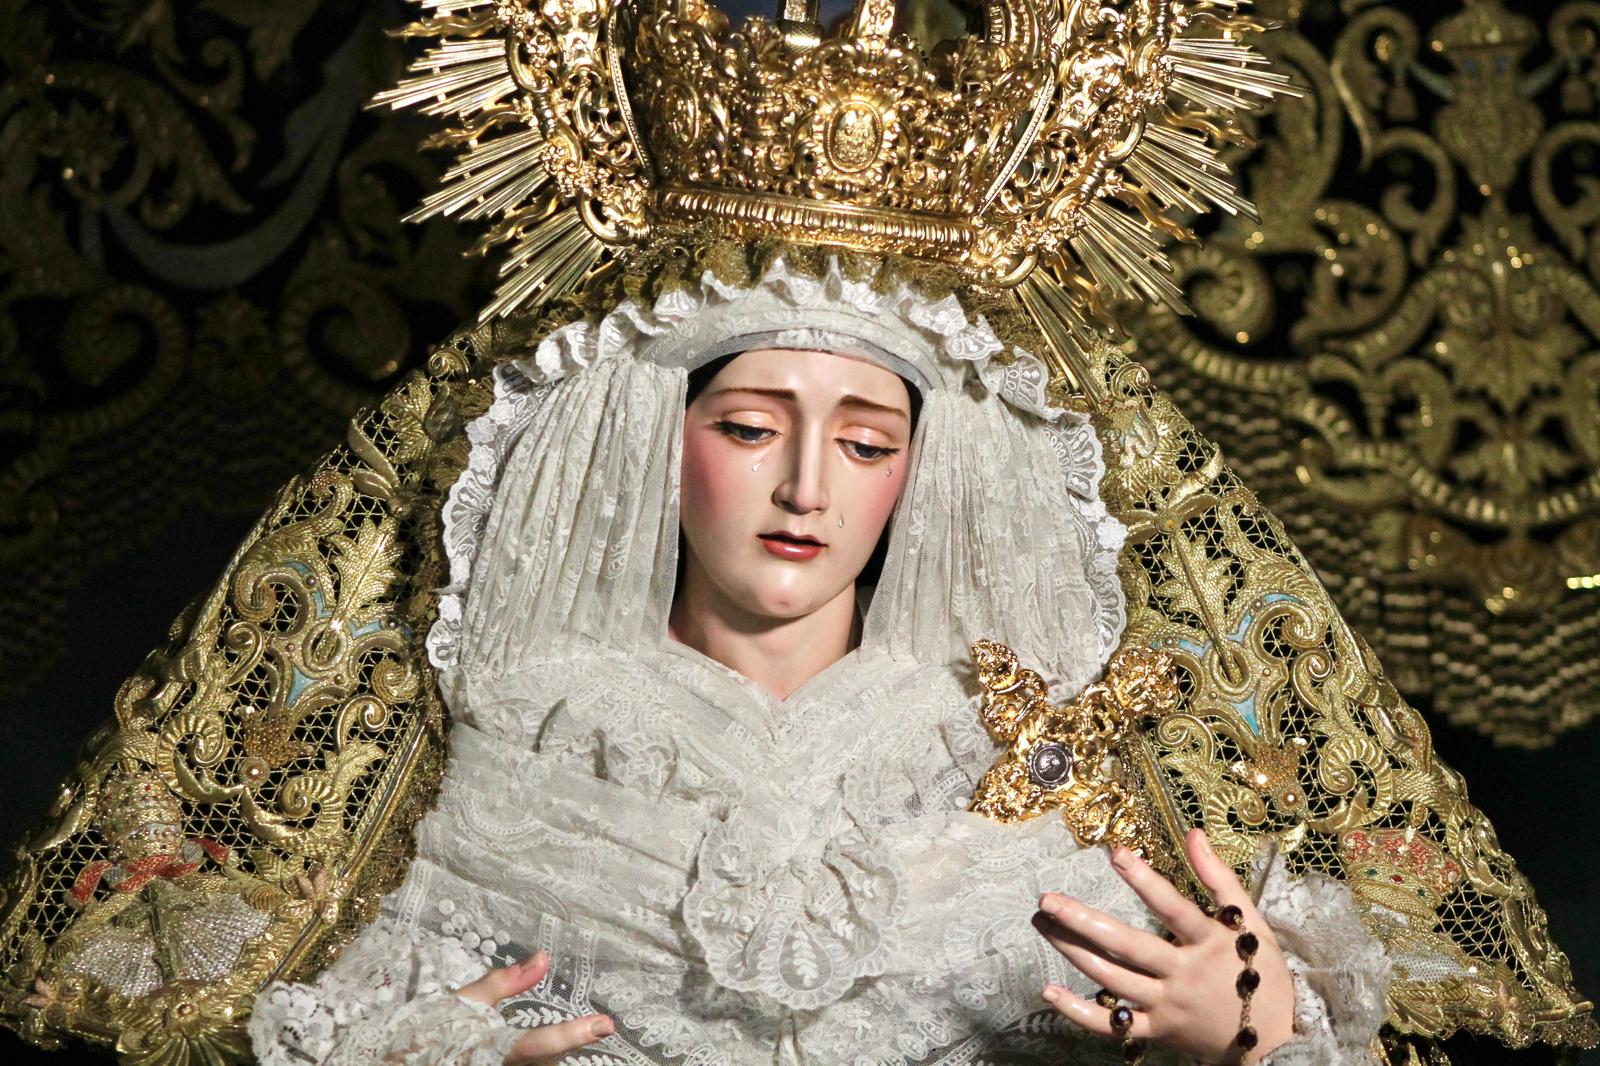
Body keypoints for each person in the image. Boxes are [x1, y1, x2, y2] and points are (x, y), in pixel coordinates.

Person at [246, 256, 1390, 1064]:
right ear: (655, 440)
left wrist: (1253, 1036)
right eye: (749, 428)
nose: (805, 487)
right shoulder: (528, 731)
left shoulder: (1018, 748)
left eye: (865, 443)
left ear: (919, 472)